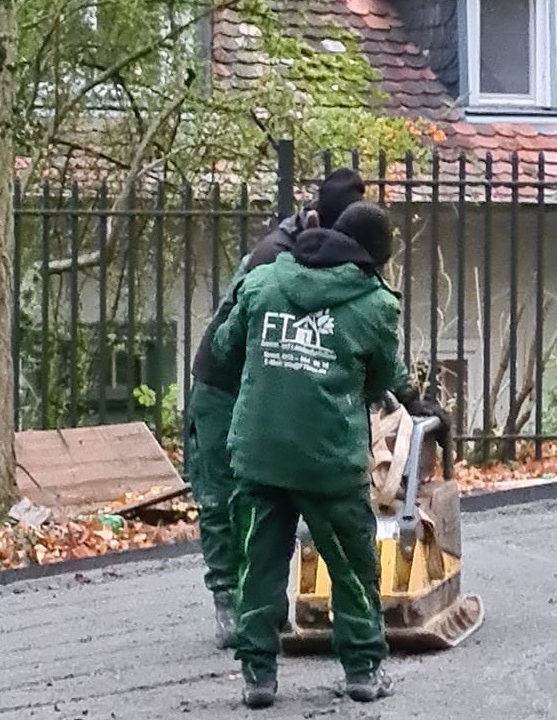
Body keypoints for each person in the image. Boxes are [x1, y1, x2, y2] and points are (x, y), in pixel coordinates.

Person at [212, 201, 406, 708]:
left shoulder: (261, 282)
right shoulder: (376, 304)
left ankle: (258, 678)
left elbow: (225, 347)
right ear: (374, 258)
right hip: (329, 459)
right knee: (350, 563)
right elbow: (385, 379)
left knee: (257, 564)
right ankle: (362, 670)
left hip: (259, 452)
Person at [186, 169, 367, 649]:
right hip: (225, 388)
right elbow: (231, 344)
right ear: (316, 222)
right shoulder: (271, 259)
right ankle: (232, 602)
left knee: (272, 500)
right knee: (226, 497)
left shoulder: (329, 252)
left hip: (269, 384)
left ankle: (263, 611)